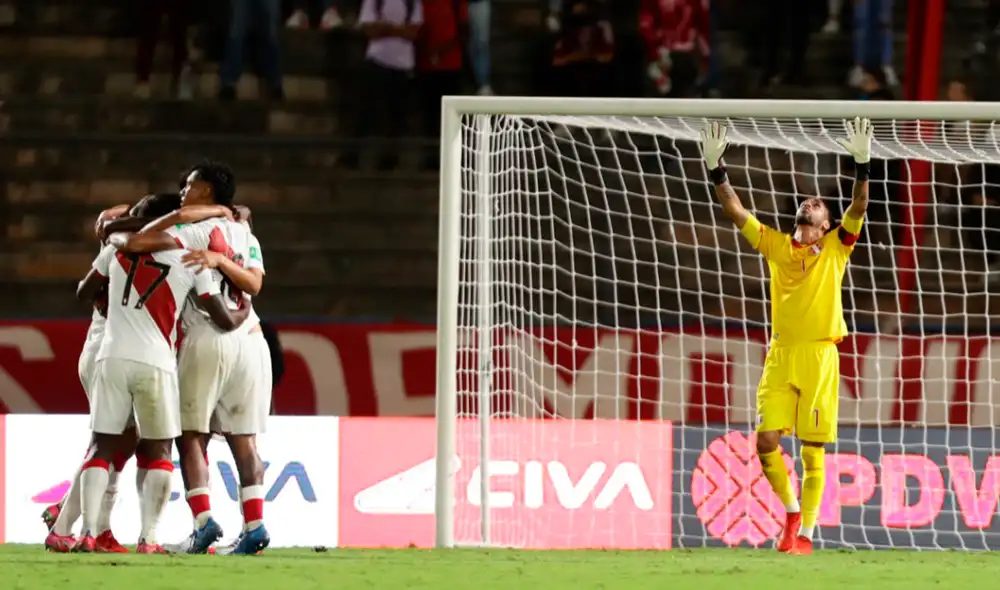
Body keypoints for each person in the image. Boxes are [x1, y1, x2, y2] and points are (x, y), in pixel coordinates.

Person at [699, 117, 873, 554]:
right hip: (780, 355)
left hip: (819, 355)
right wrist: (717, 171)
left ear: (826, 225)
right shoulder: (776, 245)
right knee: (766, 441)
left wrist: (862, 165)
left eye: (820, 208)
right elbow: (736, 212)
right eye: (808, 202)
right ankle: (791, 513)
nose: (812, 203)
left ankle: (807, 535)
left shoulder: (838, 247)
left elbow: (859, 205)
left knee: (813, 450)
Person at [72, 193, 251, 554]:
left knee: (102, 446)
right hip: (156, 361)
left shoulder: (117, 248)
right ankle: (148, 538)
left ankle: (87, 532)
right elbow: (221, 317)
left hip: (110, 355)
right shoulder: (190, 257)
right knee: (158, 451)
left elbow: (85, 291)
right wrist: (244, 310)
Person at [113, 164, 272, 556]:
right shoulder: (245, 232)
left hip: (207, 337)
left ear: (208, 190)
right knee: (244, 440)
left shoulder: (190, 232)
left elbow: (134, 244)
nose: (183, 190)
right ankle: (255, 526)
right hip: (251, 337)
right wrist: (226, 260)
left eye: (190, 185)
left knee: (190, 435)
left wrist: (185, 224)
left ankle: (203, 523)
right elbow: (254, 284)